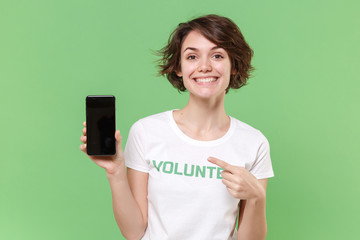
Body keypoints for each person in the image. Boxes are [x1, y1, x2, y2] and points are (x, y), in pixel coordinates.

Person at [80, 14, 274, 240]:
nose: (204, 67)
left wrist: (256, 197)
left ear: (233, 66)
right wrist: (115, 173)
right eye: (192, 56)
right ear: (179, 68)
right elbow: (134, 233)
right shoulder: (146, 131)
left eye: (217, 55)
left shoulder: (253, 143)